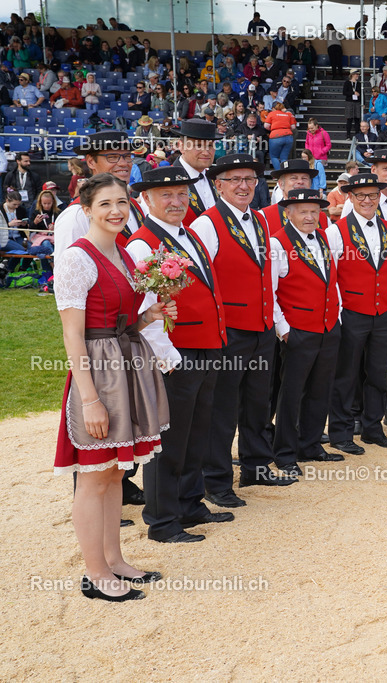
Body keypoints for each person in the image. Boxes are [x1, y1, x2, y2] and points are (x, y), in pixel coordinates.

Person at [53, 173, 172, 597]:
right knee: (93, 475)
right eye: (105, 204)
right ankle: (95, 573)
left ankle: (115, 560)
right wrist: (89, 400)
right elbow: (73, 335)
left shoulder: (123, 253)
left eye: (121, 202)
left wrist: (148, 316)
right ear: (86, 210)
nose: (116, 211)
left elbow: (120, 319)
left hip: (126, 363)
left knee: (115, 474)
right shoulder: (76, 258)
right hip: (99, 373)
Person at [127, 167, 233, 535]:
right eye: (166, 195)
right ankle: (162, 519)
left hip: (206, 346)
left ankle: (190, 504)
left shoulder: (188, 235)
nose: (176, 202)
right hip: (175, 353)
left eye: (181, 194)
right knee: (169, 439)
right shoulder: (142, 244)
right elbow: (145, 308)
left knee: (196, 433)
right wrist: (167, 357)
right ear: (147, 200)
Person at [191, 153, 296, 502]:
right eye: (234, 179)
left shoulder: (262, 221)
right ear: (218, 184)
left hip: (261, 326)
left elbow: (266, 275)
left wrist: (275, 322)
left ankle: (256, 468)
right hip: (230, 330)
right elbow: (200, 281)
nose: (243, 186)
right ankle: (216, 481)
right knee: (222, 409)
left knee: (257, 403)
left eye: (249, 179)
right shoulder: (207, 223)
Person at [325, 174, 387, 454]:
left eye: (373, 195)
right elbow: (330, 275)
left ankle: (373, 428)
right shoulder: (335, 231)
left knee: (378, 373)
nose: (368, 201)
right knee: (345, 375)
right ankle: (341, 432)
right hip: (351, 312)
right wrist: (339, 311)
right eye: (361, 196)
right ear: (350, 197)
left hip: (385, 311)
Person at [269, 188, 343, 473]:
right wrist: (284, 330)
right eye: (303, 211)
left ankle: (310, 445)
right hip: (298, 330)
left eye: (315, 211)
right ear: (288, 213)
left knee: (320, 390)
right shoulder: (277, 243)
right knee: (291, 394)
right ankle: (285, 454)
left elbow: (330, 279)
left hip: (328, 327)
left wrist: (337, 317)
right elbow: (271, 292)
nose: (310, 216)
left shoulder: (324, 236)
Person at [166, 119, 221, 226]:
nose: (206, 153)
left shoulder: (216, 179)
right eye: (198, 145)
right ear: (181, 146)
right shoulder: (165, 180)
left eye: (210, 146)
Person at [265, 102, 297, 170]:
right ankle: (284, 173)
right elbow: (293, 127)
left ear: (274, 108)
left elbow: (266, 126)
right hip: (288, 136)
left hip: (276, 137)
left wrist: (272, 129)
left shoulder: (271, 114)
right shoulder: (288, 114)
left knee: (274, 156)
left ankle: (279, 174)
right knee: (284, 157)